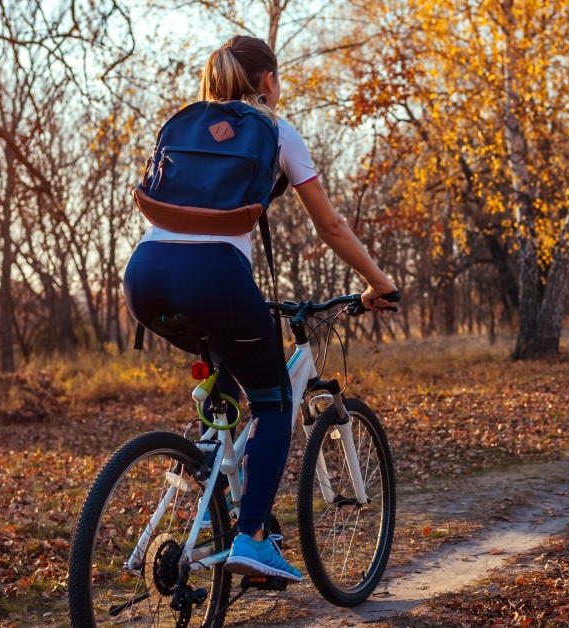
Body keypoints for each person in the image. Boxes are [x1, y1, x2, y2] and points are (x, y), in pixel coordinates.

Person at [122, 35, 397, 581]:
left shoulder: (186, 126)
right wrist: (379, 283)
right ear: (268, 82)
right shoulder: (276, 130)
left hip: (145, 276)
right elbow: (331, 227)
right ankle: (251, 539)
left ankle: (210, 451)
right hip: (215, 279)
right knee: (273, 403)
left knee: (229, 364)